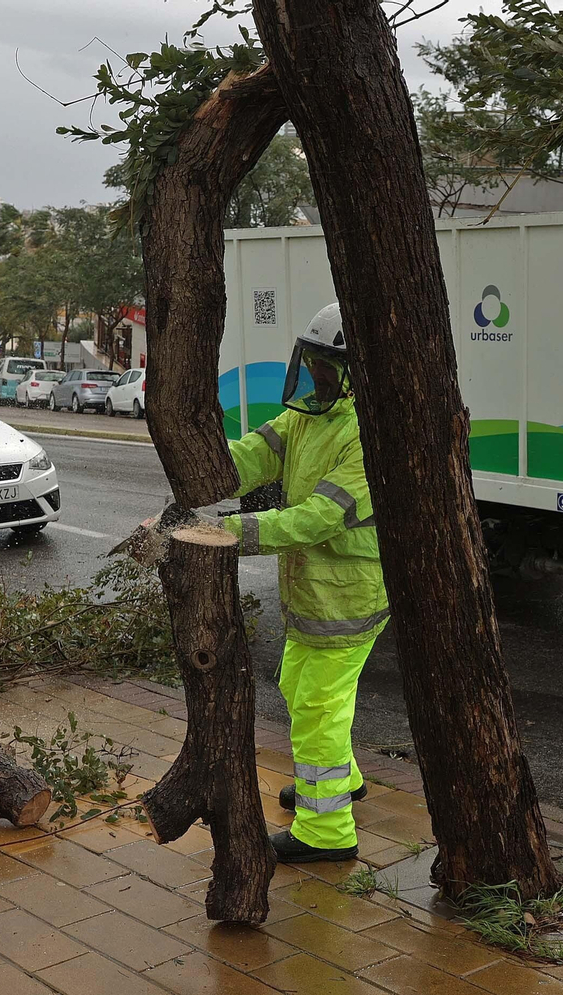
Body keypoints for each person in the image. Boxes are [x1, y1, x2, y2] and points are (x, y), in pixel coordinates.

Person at [220, 302, 388, 863]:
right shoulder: (309, 415)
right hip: (314, 590)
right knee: (298, 686)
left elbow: (316, 519)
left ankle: (327, 830)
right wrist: (203, 465)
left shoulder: (367, 432)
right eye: (313, 361)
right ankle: (342, 782)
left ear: (355, 372)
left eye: (328, 365)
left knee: (318, 705)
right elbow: (255, 454)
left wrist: (229, 533)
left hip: (348, 594)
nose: (316, 373)